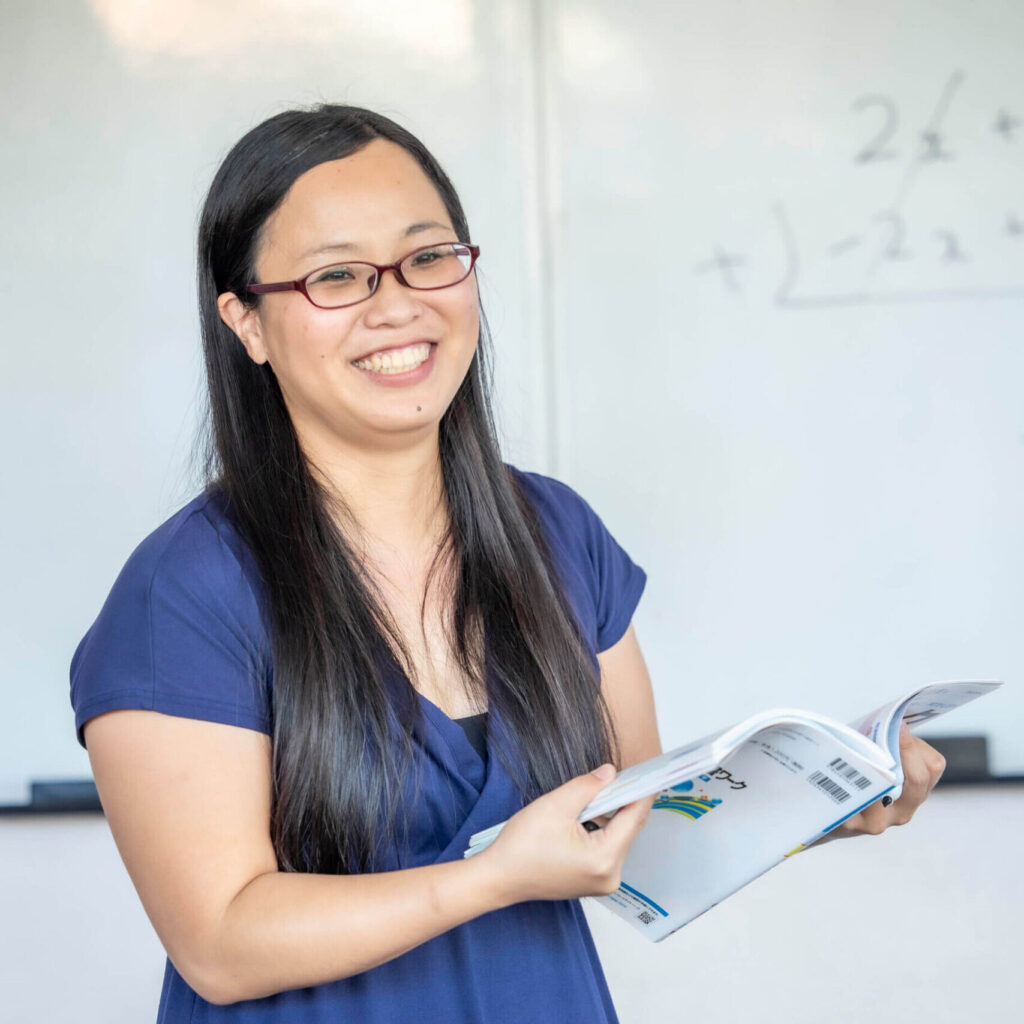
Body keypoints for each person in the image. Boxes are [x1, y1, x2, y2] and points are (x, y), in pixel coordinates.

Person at [69, 104, 946, 1023]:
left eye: (429, 257)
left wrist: (820, 804)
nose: (399, 303)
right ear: (246, 323)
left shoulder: (555, 532)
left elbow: (624, 839)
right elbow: (220, 941)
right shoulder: (186, 592)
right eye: (337, 276)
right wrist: (485, 879)